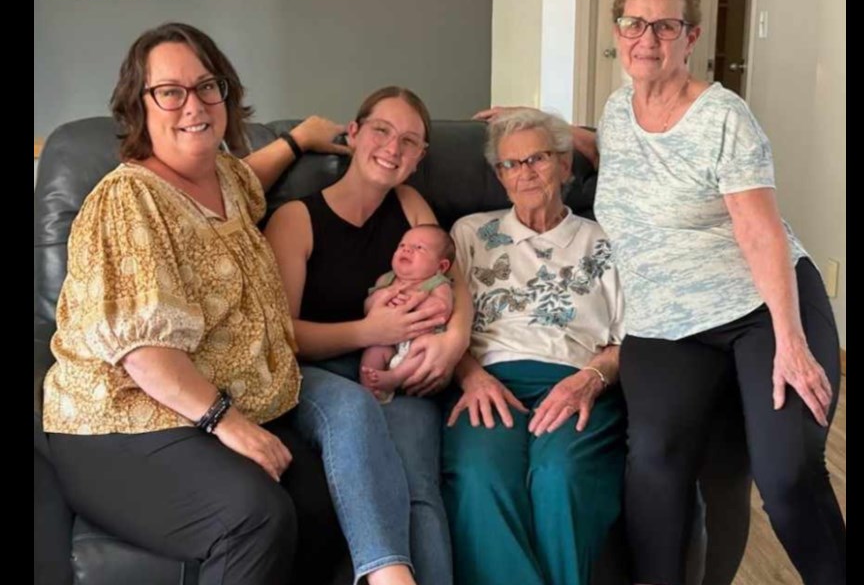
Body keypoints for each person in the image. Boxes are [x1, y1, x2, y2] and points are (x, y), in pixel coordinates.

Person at [40, 22, 354, 585]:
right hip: (120, 423)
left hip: (198, 412)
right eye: (170, 92)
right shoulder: (129, 199)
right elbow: (144, 354)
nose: (194, 106)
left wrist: (298, 140)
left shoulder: (224, 179)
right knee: (253, 517)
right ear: (139, 107)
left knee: (326, 507)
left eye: (208, 87)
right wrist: (228, 424)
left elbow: (250, 175)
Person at [595, 0, 844, 585]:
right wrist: (545, 134)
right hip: (664, 319)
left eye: (665, 26)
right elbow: (625, 154)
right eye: (634, 23)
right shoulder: (616, 112)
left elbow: (759, 231)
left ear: (691, 37)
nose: (647, 39)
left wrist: (791, 341)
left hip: (762, 307)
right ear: (618, 31)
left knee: (786, 471)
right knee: (654, 464)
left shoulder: (723, 117)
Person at [264, 86, 472, 585]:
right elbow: (281, 336)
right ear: (354, 134)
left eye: (410, 141)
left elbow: (454, 278)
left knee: (417, 483)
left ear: (420, 157)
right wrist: (370, 330)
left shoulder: (410, 203)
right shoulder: (296, 218)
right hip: (313, 372)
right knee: (354, 410)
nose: (393, 148)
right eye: (381, 130)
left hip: (396, 368)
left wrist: (454, 341)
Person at [442, 108, 627, 585]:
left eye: (537, 159)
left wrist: (591, 380)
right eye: (510, 164)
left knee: (559, 477)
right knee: (482, 478)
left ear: (565, 166)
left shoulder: (604, 241)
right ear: (498, 176)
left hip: (576, 381)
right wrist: (470, 375)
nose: (524, 173)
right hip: (488, 381)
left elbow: (631, 338)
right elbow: (443, 325)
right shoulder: (469, 234)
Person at [360, 225, 456, 403]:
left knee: (427, 348)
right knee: (373, 350)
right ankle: (370, 389)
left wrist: (414, 299)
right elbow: (367, 308)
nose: (406, 249)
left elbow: (442, 308)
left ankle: (394, 378)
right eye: (402, 245)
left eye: (419, 248)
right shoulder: (386, 280)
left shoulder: (437, 283)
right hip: (389, 342)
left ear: (441, 266)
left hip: (420, 343)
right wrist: (383, 297)